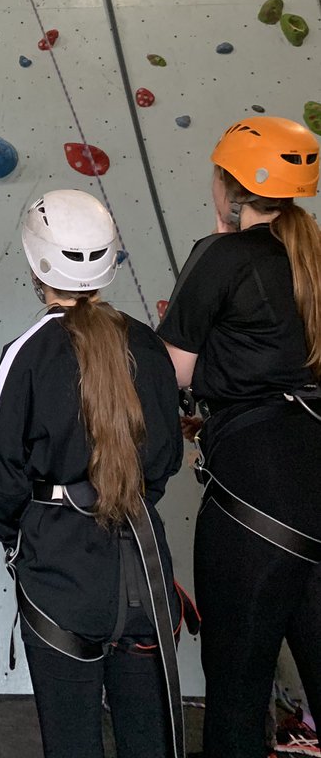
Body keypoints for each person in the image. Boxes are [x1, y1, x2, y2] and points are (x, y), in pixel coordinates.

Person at [0, 190, 187, 758]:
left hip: (60, 576)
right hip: (144, 572)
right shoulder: (148, 346)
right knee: (149, 744)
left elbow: (2, 480)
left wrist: (20, 545)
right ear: (109, 261)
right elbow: (165, 460)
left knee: (71, 745)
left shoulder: (24, 354)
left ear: (33, 260)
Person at [157, 116, 321, 758]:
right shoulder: (311, 256)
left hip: (257, 490)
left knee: (237, 692)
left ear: (228, 184)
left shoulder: (222, 254)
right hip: (311, 464)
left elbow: (173, 371)